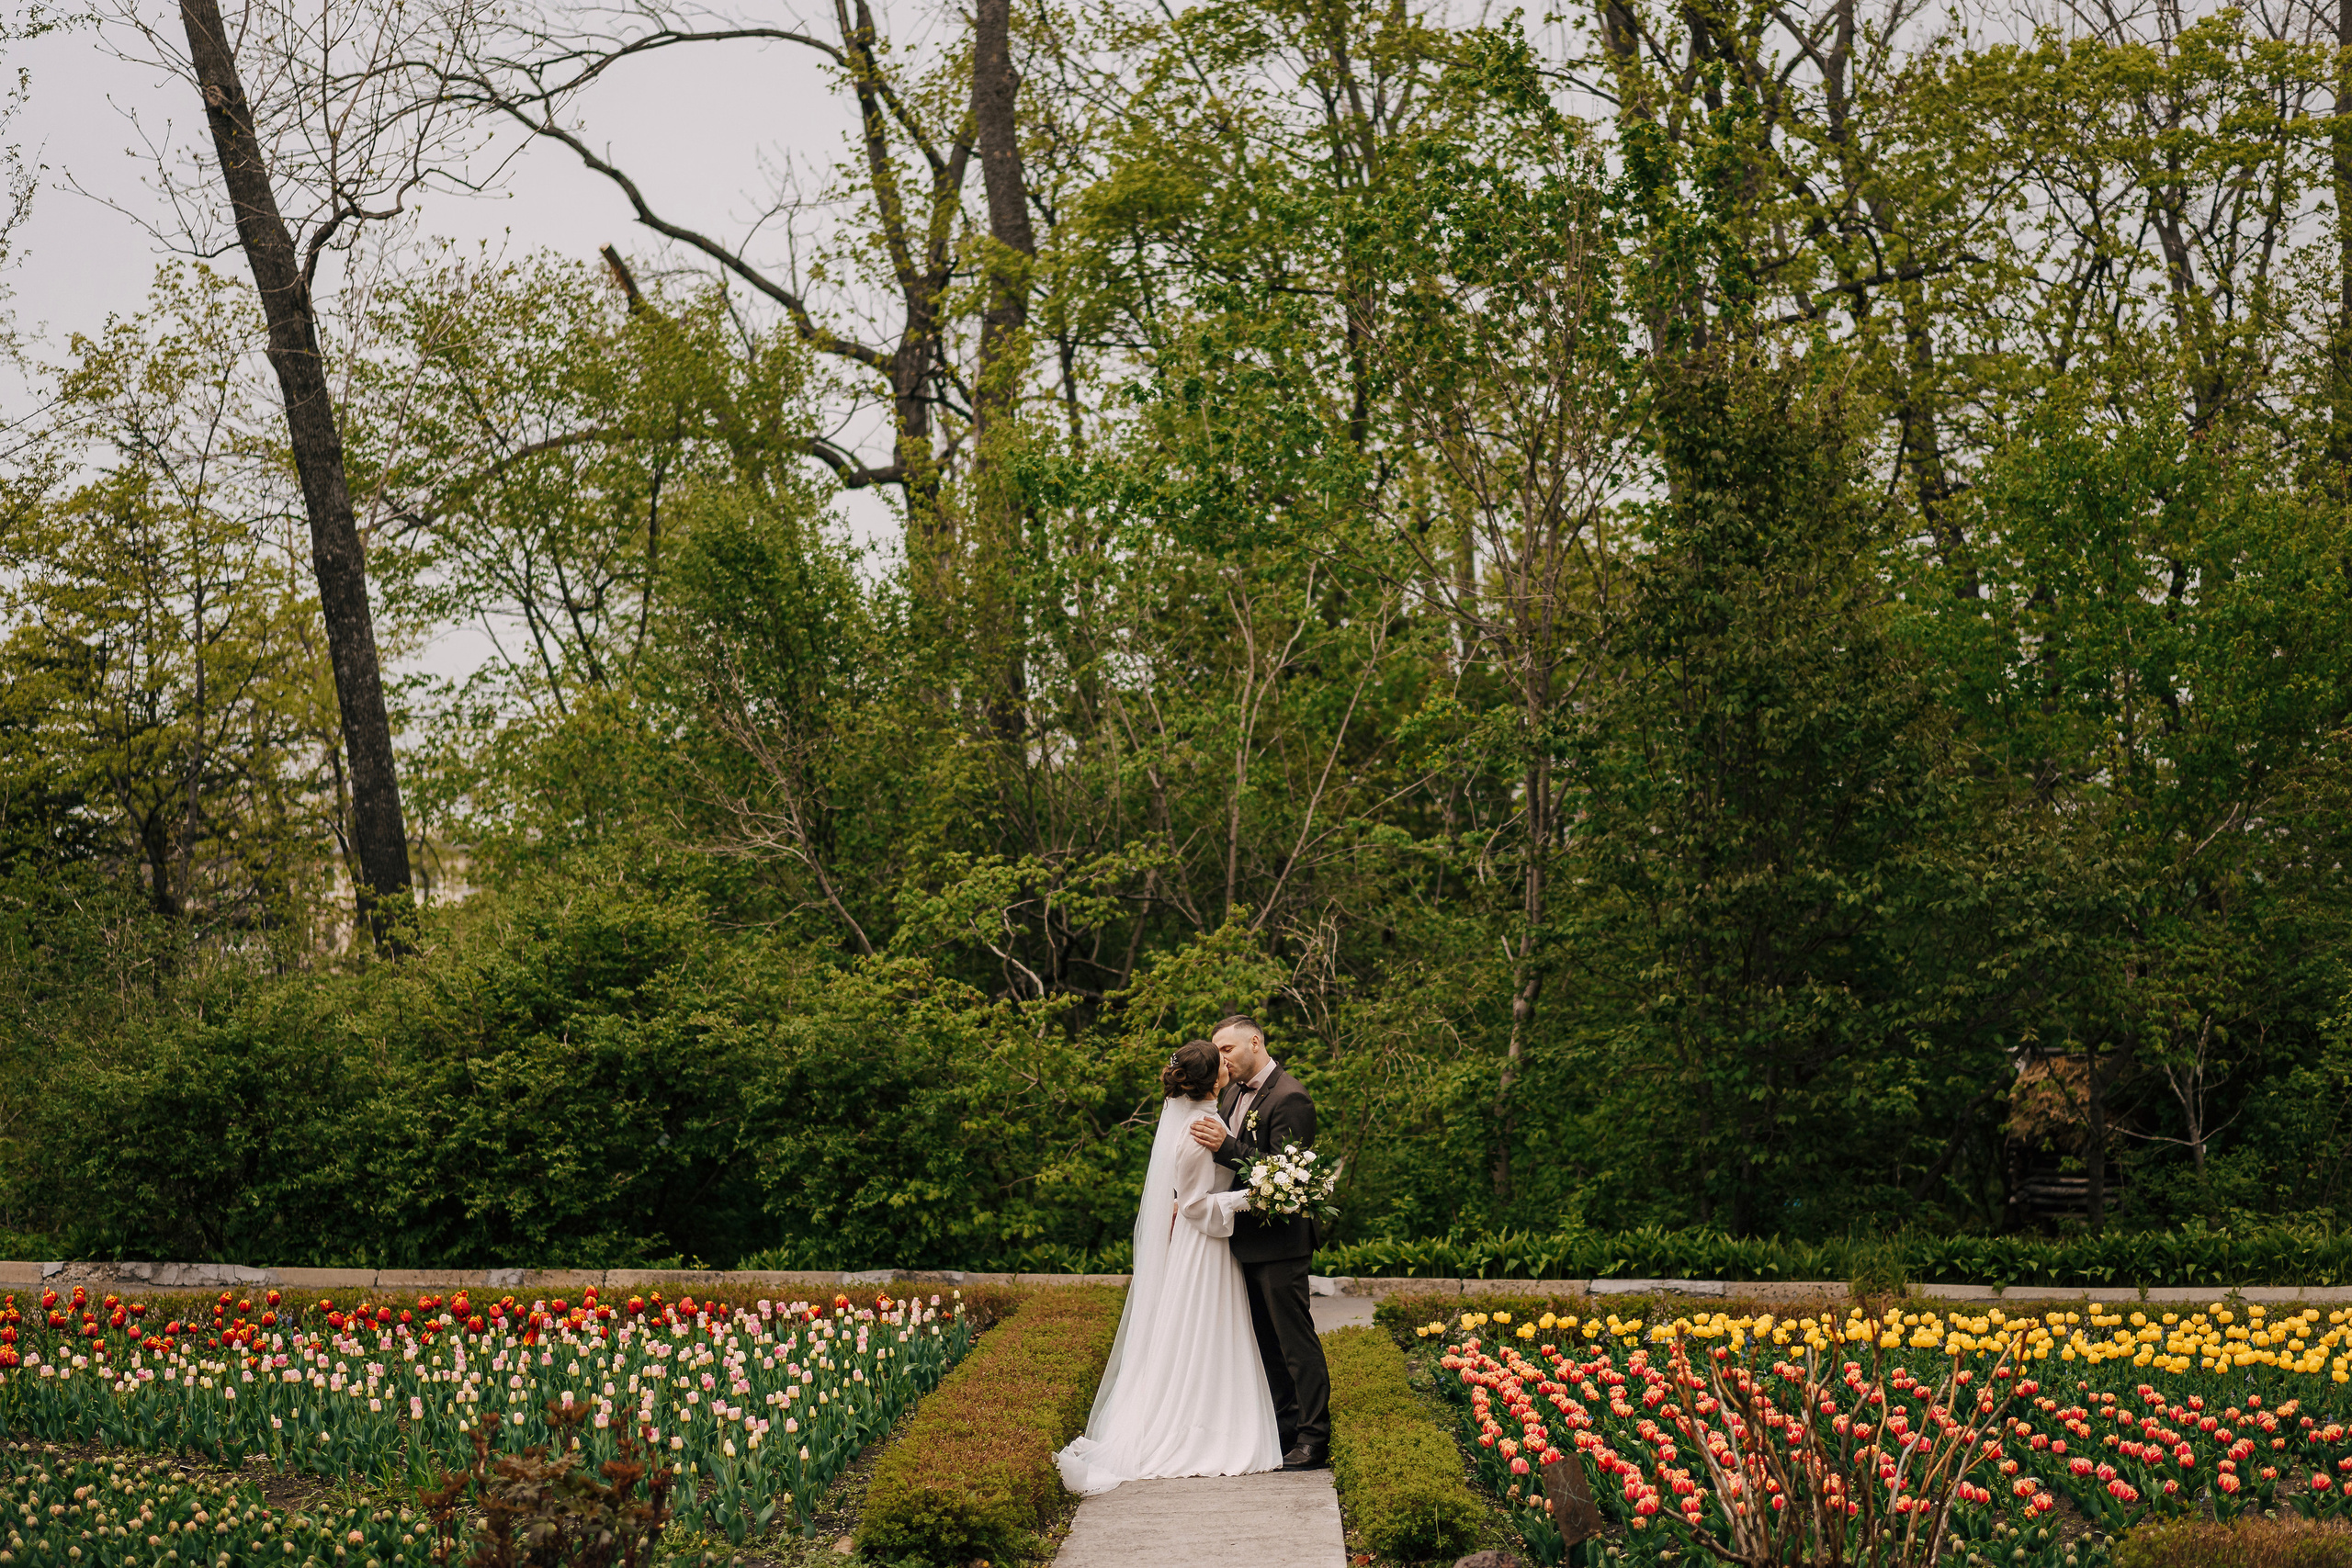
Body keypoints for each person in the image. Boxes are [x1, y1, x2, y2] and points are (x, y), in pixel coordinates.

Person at [1054, 1039, 1283, 1494]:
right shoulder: (1202, 1125)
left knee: (1204, 1335)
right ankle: (1198, 1435)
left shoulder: (1200, 1117)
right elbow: (1196, 1206)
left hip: (1204, 1246)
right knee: (1204, 1334)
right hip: (1204, 1249)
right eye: (1222, 1063)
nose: (1228, 1066)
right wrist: (1253, 1195)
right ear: (1213, 1078)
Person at [1188, 1012, 1331, 1471]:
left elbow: (1285, 1175)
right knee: (1263, 1344)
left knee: (1295, 1343)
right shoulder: (1231, 1091)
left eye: (1227, 1049)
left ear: (1255, 1042)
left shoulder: (1291, 1097)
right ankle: (1283, 1430)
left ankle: (1314, 1438)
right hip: (1239, 1239)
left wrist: (1226, 1145)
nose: (1221, 1058)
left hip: (1280, 1244)